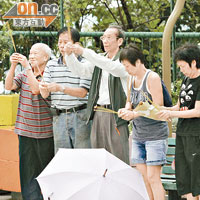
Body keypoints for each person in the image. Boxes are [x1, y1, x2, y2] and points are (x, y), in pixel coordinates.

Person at [64, 24, 129, 164]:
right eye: (103, 37)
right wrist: (69, 55)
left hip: (116, 114)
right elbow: (80, 70)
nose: (105, 40)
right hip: (98, 112)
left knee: (119, 157)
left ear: (119, 41)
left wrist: (84, 52)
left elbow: (111, 67)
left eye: (109, 37)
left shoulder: (124, 59)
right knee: (100, 158)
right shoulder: (99, 59)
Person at [118, 43, 169, 200]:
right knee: (144, 178)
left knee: (153, 178)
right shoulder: (130, 78)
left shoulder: (152, 78)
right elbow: (129, 101)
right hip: (138, 135)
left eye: (128, 65)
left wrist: (134, 114)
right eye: (124, 66)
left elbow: (158, 106)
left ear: (138, 62)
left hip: (155, 135)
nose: (126, 69)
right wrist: (126, 110)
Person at [5, 43, 54, 200]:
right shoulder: (24, 74)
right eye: (30, 53)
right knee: (27, 173)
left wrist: (26, 66)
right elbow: (8, 86)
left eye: (36, 53)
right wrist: (13, 66)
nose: (31, 56)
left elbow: (36, 89)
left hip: (46, 132)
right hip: (25, 131)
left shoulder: (50, 74)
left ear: (46, 57)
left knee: (46, 171)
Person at [157, 43, 200, 200]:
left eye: (183, 66)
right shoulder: (186, 79)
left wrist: (172, 114)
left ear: (194, 62)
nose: (181, 70)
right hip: (182, 132)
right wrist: (165, 111)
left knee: (197, 176)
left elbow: (197, 111)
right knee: (183, 175)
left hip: (195, 134)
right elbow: (180, 106)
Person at [39, 27, 91, 153]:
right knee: (62, 157)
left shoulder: (85, 64)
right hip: (59, 116)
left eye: (65, 42)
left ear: (76, 44)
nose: (62, 46)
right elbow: (45, 95)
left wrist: (60, 88)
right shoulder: (51, 65)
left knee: (83, 156)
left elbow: (83, 92)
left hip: (80, 115)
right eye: (59, 42)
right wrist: (43, 88)